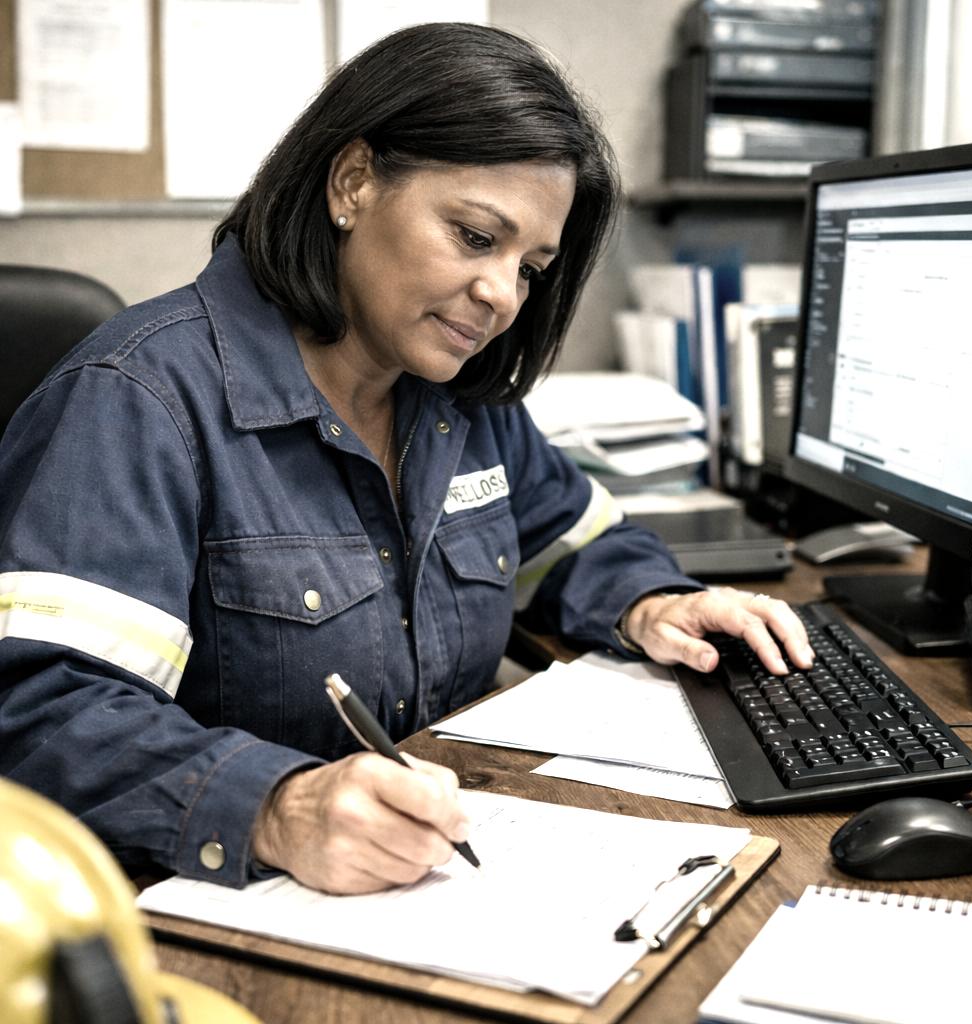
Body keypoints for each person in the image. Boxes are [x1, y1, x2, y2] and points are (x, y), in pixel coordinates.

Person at [0, 23, 812, 896]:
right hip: (200, 912)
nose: (502, 295)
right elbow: (44, 711)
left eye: (531, 267)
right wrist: (280, 806)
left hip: (429, 884)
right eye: (473, 237)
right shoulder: (139, 399)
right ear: (352, 183)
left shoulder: (451, 396)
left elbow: (570, 540)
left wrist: (653, 600)